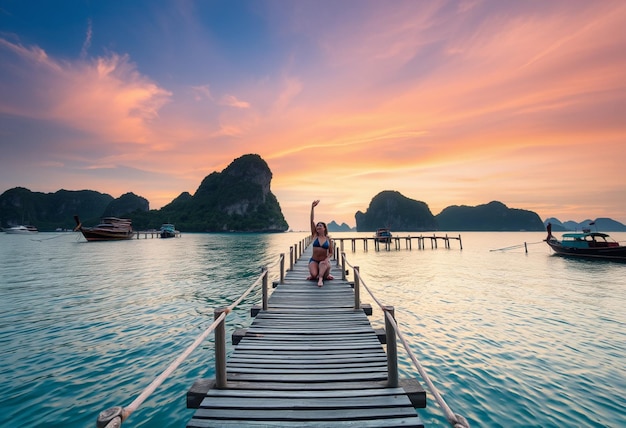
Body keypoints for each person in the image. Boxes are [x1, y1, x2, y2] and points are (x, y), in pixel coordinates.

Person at [308, 200, 334, 287]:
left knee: (323, 265)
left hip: (324, 262)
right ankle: (320, 275)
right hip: (314, 260)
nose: (318, 226)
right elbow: (311, 221)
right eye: (317, 225)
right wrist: (312, 208)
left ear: (324, 228)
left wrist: (327, 259)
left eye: (320, 225)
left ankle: (321, 279)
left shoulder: (328, 239)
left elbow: (331, 252)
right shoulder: (314, 236)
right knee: (314, 275)